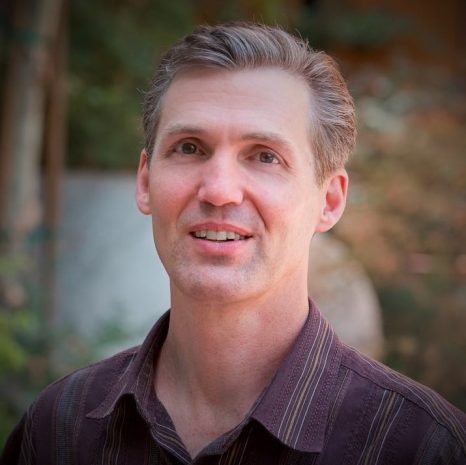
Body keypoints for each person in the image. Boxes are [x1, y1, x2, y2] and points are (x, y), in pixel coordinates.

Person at [1, 22, 465, 465]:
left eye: (265, 156)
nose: (219, 190)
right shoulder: (58, 431)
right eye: (189, 148)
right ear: (145, 182)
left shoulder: (424, 449)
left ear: (329, 200)